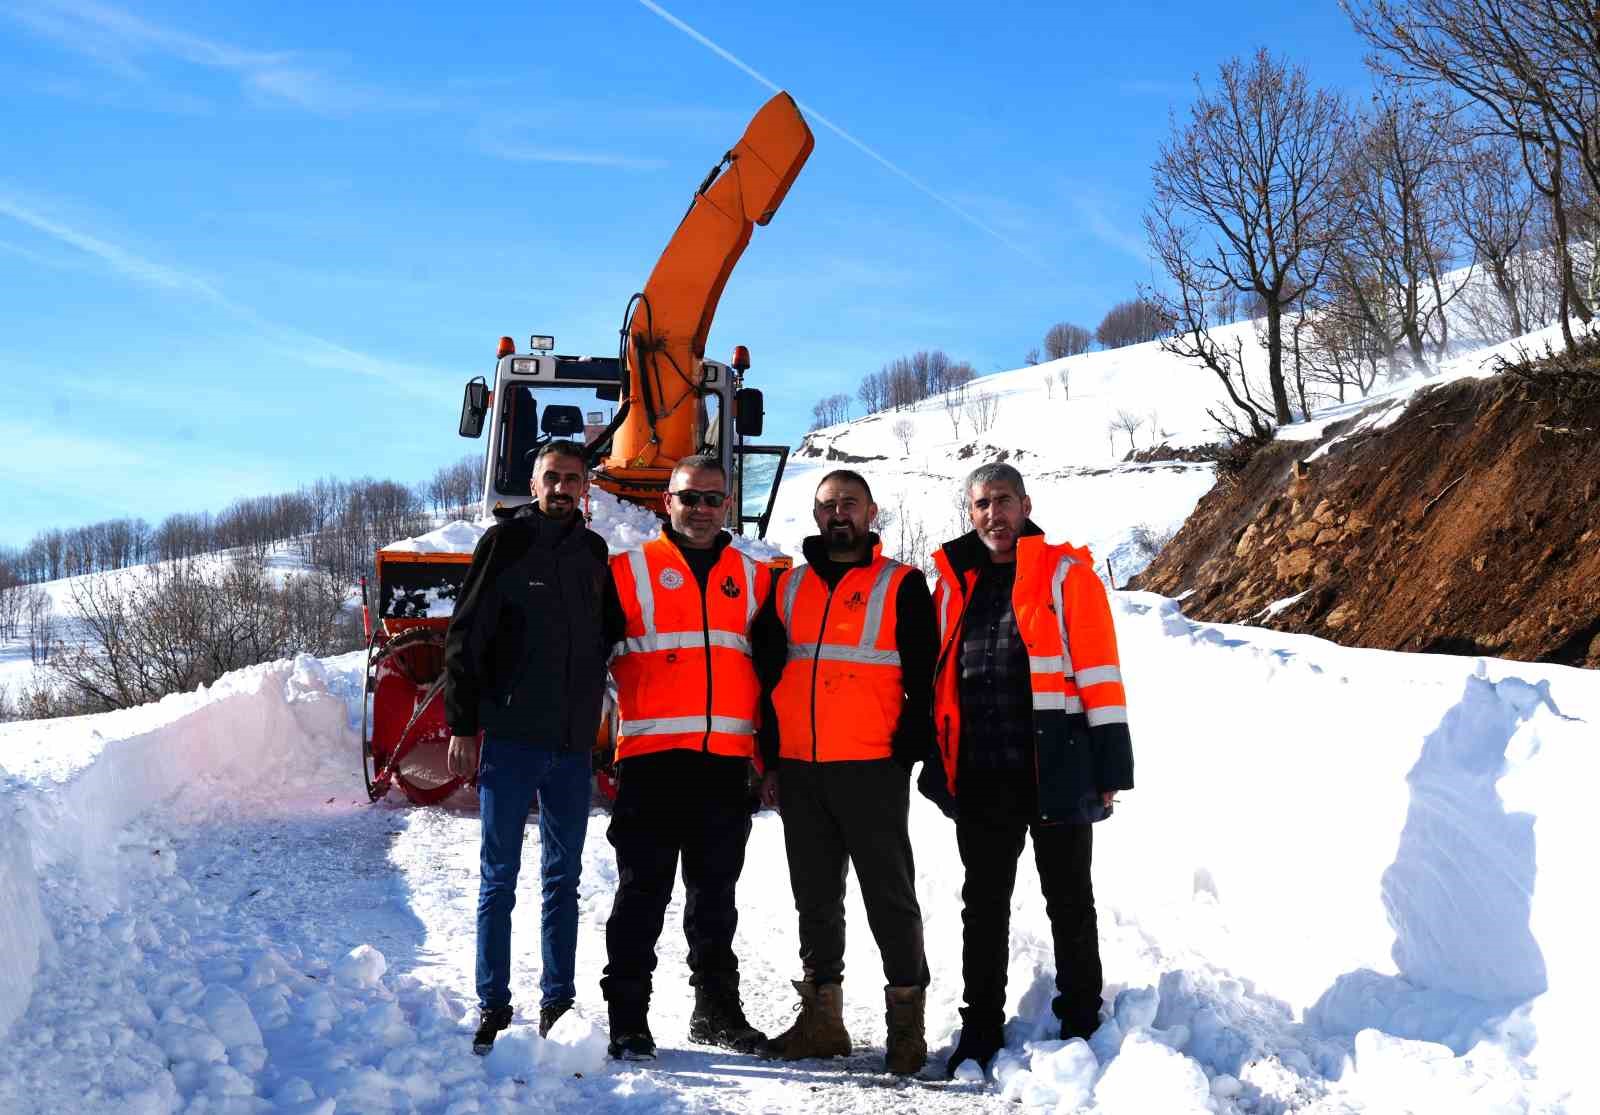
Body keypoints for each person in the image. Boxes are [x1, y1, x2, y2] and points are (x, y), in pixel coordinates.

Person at [919, 462, 1134, 1078]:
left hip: (1056, 767)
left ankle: (1081, 1019)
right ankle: (979, 1027)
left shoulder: (1065, 575)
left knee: (1070, 899)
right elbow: (940, 681)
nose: (995, 515)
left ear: (1026, 504)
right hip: (982, 774)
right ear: (971, 512)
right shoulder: (952, 581)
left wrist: (1109, 764)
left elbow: (1099, 673)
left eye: (1004, 501)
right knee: (983, 906)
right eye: (982, 504)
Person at [753, 469, 937, 1076]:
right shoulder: (787, 588)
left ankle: (906, 1027)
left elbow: (925, 679)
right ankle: (822, 1021)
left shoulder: (902, 584)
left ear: (871, 512)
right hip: (803, 768)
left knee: (890, 897)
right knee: (815, 898)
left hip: (870, 768)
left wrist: (903, 750)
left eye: (850, 504)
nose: (840, 514)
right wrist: (773, 759)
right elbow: (770, 677)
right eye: (829, 504)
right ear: (815, 514)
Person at [600, 455, 772, 1061]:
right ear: (665, 503)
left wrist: (767, 757)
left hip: (725, 763)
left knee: (714, 898)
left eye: (712, 499)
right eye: (689, 498)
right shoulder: (625, 573)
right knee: (642, 893)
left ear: (727, 505)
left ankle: (717, 1011)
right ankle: (627, 1018)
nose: (700, 510)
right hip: (651, 761)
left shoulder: (756, 578)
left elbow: (775, 670)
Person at [443, 440, 612, 1054]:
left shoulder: (594, 553)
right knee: (499, 878)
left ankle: (557, 1001)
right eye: (552, 478)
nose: (562, 488)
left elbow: (609, 637)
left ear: (586, 486)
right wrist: (464, 724)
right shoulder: (505, 544)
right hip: (512, 741)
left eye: (572, 479)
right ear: (533, 482)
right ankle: (492, 1002)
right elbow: (465, 636)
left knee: (563, 880)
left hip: (571, 747)